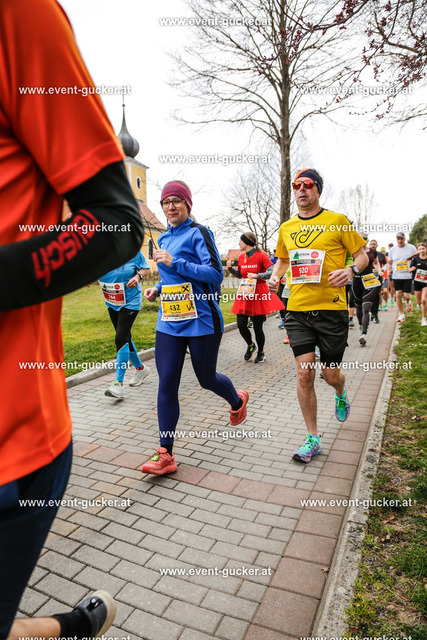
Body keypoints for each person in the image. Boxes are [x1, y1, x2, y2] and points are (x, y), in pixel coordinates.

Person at [0, 1, 144, 638]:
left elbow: (117, 223)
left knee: (132, 347)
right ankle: (74, 627)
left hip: (10, 441)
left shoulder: (19, 15)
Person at [141, 181, 249, 475]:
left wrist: (174, 261)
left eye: (176, 200)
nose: (171, 206)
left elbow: (215, 274)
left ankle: (237, 400)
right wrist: (158, 288)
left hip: (201, 320)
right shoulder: (164, 237)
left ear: (187, 204)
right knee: (167, 383)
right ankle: (166, 454)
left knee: (206, 378)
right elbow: (173, 277)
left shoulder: (199, 232)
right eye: (166, 202)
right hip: (169, 320)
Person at [268, 168, 368, 463]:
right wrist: (275, 276)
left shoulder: (338, 221)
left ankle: (340, 390)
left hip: (332, 310)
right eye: (296, 185)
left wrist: (351, 270)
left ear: (317, 190)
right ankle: (313, 437)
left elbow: (362, 255)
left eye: (308, 184)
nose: (301, 189)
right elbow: (283, 260)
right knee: (304, 373)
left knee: (329, 374)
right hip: (297, 310)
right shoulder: (287, 227)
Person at [227, 232, 284, 363]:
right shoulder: (241, 257)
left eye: (241, 241)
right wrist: (231, 269)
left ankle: (261, 352)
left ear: (247, 242)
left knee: (258, 327)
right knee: (241, 324)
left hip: (259, 293)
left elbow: (272, 271)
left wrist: (257, 275)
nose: (239, 243)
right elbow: (241, 275)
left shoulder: (261, 256)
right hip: (245, 292)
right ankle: (250, 345)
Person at [100, 251, 151, 399]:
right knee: (125, 337)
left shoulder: (131, 249)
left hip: (131, 300)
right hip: (112, 299)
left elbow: (144, 268)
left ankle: (118, 384)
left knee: (120, 338)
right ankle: (141, 369)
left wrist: (137, 276)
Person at [351, 234, 381, 346]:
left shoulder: (372, 251)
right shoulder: (353, 251)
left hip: (369, 280)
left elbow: (376, 263)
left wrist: (379, 270)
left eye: (364, 238)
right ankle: (360, 325)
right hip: (357, 280)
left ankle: (364, 334)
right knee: (359, 308)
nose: (362, 240)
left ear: (367, 240)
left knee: (366, 307)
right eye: (360, 238)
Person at [388, 233, 417, 322]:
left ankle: (408, 302)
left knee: (407, 296)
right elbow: (390, 262)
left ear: (404, 239)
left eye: (401, 239)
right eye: (398, 239)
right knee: (398, 294)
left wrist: (413, 267)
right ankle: (401, 314)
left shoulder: (411, 247)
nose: (400, 241)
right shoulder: (392, 250)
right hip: (397, 275)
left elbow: (416, 258)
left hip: (407, 275)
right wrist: (389, 270)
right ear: (396, 239)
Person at [410, 242, 427, 326]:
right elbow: (409, 270)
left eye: (423, 248)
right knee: (419, 301)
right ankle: (418, 304)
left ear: (426, 249)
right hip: (417, 282)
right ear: (418, 250)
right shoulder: (415, 259)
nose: (422, 250)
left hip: (425, 282)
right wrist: (412, 269)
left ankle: (424, 319)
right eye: (420, 249)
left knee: (424, 300)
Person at [368, 239, 385, 320]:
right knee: (370, 295)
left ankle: (375, 314)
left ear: (377, 245)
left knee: (376, 295)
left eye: (374, 244)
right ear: (369, 245)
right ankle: (371, 313)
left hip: (378, 276)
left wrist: (382, 269)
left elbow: (386, 264)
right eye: (371, 244)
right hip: (369, 277)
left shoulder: (381, 254)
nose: (373, 245)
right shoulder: (366, 254)